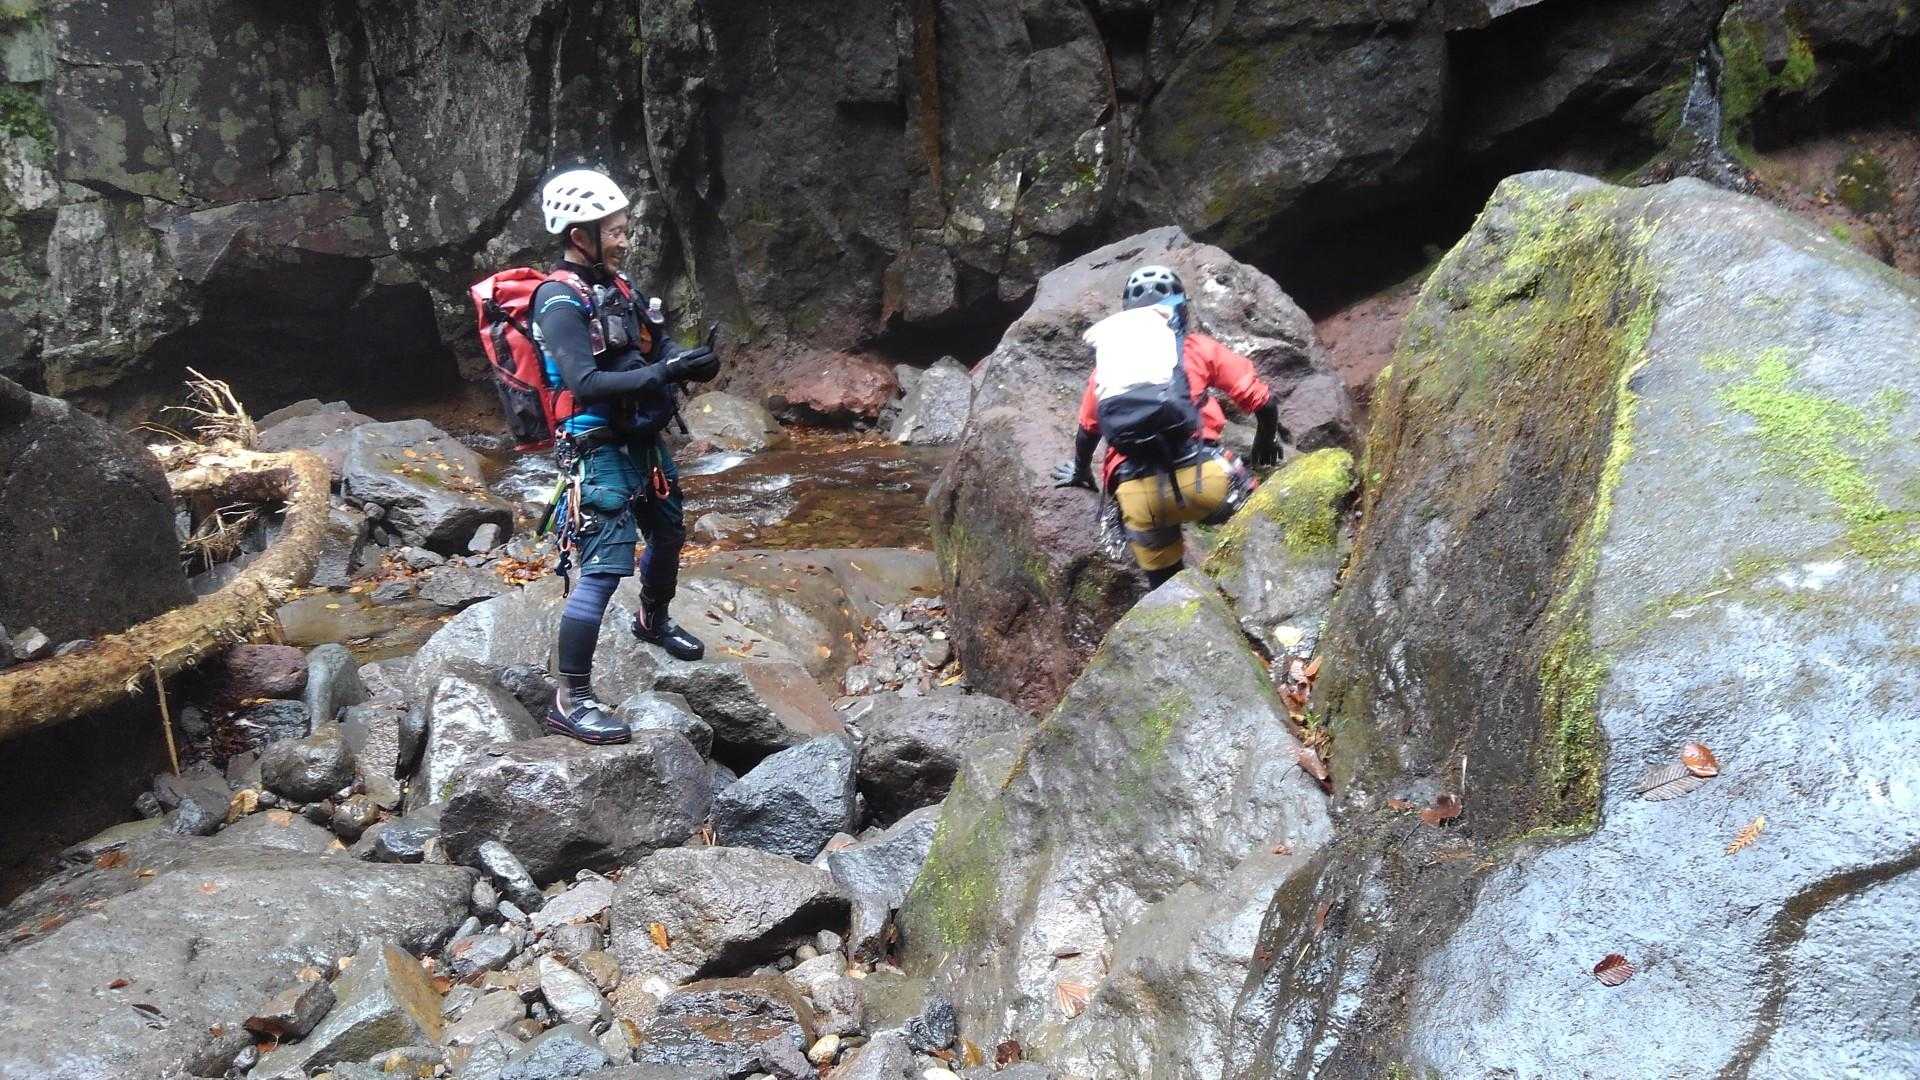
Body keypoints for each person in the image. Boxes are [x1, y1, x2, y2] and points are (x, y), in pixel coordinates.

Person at [533, 168, 719, 743]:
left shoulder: (620, 287)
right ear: (579, 234)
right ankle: (570, 699)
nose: (624, 239)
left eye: (623, 228)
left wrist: (689, 360)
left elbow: (656, 346)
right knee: (602, 572)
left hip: (642, 439)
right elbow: (585, 381)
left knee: (668, 533)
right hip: (595, 447)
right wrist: (665, 372)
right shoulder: (557, 300)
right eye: (614, 230)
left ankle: (652, 619)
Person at [1052, 264, 1280, 589]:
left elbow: (1088, 430)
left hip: (1138, 497)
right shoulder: (1196, 347)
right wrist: (1264, 443)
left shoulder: (1108, 367)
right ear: (1181, 310)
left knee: (1167, 592)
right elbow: (1264, 402)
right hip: (1207, 481)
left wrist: (1080, 470)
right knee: (1265, 528)